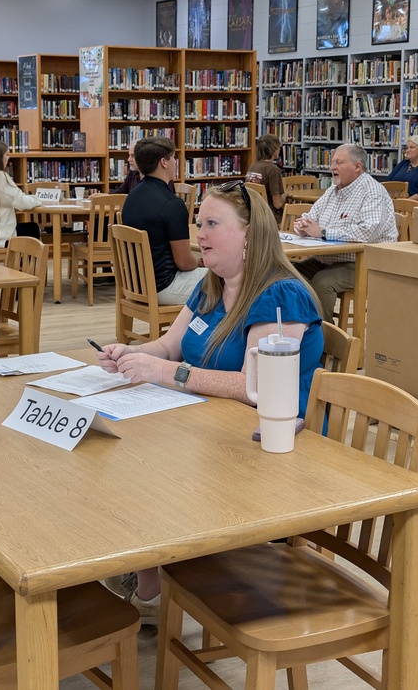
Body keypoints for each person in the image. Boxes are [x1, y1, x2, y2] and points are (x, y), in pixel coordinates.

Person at [95, 181, 324, 622]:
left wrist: (167, 374)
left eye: (212, 224)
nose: (199, 234)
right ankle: (150, 578)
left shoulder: (281, 296)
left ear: (250, 237)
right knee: (123, 460)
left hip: (270, 449)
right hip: (209, 430)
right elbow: (167, 347)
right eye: (198, 223)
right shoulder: (213, 284)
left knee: (142, 468)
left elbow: (250, 387)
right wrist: (131, 353)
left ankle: (153, 588)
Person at [293, 143, 398, 322]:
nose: (332, 167)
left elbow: (367, 232)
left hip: (364, 263)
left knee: (322, 283)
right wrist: (303, 226)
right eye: (332, 162)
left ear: (357, 167)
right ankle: (298, 327)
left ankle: (325, 340)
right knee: (289, 272)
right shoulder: (333, 191)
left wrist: (322, 232)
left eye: (339, 163)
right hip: (330, 258)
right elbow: (311, 217)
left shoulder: (372, 192)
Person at [121, 136, 205, 305]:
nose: (175, 162)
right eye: (173, 157)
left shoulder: (131, 197)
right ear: (164, 162)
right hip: (164, 287)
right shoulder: (172, 204)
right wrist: (198, 262)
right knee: (230, 278)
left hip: (136, 285)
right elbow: (184, 263)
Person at [245, 133, 286, 224]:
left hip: (254, 215)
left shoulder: (253, 166)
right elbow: (277, 204)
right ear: (274, 149)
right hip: (271, 218)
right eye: (279, 148)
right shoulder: (273, 170)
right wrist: (285, 195)